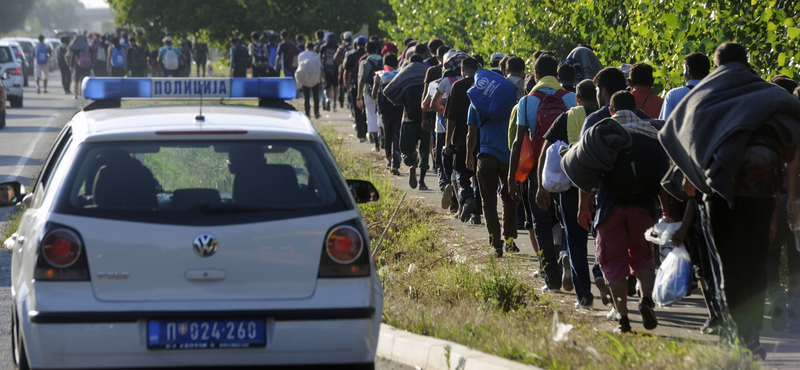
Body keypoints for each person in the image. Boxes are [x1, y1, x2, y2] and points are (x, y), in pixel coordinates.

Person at [661, 42, 800, 358]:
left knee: (730, 267)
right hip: (763, 192)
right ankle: (752, 336)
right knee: (754, 262)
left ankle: (744, 338)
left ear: (717, 64)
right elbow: (791, 148)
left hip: (721, 192)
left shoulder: (705, 94)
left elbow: (678, 134)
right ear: (746, 61)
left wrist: (689, 175)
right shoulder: (766, 94)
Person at [571, 91, 667, 333]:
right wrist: (667, 211)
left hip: (609, 208)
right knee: (643, 257)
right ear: (635, 110)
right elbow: (664, 177)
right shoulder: (652, 133)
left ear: (611, 110)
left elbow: (588, 177)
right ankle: (646, 300)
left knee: (613, 264)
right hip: (644, 207)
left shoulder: (602, 133)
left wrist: (583, 207)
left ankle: (624, 320)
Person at [509, 55, 577, 288]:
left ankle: (552, 278)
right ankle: (566, 255)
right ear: (557, 75)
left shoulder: (527, 102)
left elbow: (518, 142)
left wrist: (511, 179)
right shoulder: (570, 98)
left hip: (537, 173)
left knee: (541, 224)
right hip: (567, 170)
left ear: (535, 75)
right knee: (567, 220)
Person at [535, 79, 600, 309]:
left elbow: (545, 152)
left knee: (575, 242)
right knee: (605, 236)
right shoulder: (606, 115)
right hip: (602, 187)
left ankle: (584, 297)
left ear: (578, 98)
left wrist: (541, 187)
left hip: (571, 188)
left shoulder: (567, 116)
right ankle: (601, 272)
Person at [467, 65, 518, 258]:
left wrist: (469, 156)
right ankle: (511, 240)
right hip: (508, 157)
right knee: (509, 197)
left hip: (486, 156)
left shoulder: (476, 104)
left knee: (488, 201)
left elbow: (471, 135)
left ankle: (496, 244)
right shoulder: (512, 101)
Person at [445, 57, 483, 224]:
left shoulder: (458, 86)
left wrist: (448, 141)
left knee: (461, 172)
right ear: (478, 68)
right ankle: (477, 214)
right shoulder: (483, 86)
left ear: (462, 69)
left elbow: (451, 118)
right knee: (479, 176)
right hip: (482, 139)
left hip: (462, 138)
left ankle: (467, 199)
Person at [431, 50, 465, 202]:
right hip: (465, 129)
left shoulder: (446, 81)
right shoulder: (471, 81)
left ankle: (447, 188)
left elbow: (433, 104)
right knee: (461, 166)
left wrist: (445, 114)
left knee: (443, 160)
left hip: (444, 128)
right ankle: (462, 199)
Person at [396, 55, 431, 190]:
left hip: (408, 119)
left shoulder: (405, 76)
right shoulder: (427, 75)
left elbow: (395, 96)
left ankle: (410, 164)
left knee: (405, 148)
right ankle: (422, 182)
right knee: (424, 151)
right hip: (426, 120)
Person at [374, 53, 405, 175]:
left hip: (385, 111)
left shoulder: (380, 75)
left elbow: (374, 93)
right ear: (397, 63)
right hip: (398, 109)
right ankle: (395, 164)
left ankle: (388, 160)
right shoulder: (399, 75)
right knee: (397, 135)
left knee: (388, 135)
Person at [658, 52, 710, 120]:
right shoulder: (718, 93)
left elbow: (665, 124)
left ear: (689, 71)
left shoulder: (673, 95)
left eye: (684, 70)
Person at [357, 42, 384, 152]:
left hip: (368, 91)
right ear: (377, 50)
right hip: (382, 91)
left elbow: (361, 80)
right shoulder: (383, 60)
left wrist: (359, 97)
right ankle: (383, 136)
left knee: (371, 116)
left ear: (366, 50)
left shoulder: (365, 62)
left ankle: (376, 144)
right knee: (381, 115)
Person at [344, 36, 368, 141]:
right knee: (366, 110)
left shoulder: (351, 55)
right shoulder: (368, 56)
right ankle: (367, 131)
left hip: (355, 85)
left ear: (356, 44)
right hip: (367, 86)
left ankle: (360, 134)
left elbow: (346, 71)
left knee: (357, 109)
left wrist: (347, 84)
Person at [68, 32, 92, 99]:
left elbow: (72, 57)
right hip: (87, 65)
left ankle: (76, 94)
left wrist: (71, 66)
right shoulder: (88, 47)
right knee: (85, 80)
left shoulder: (75, 48)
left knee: (76, 80)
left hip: (77, 65)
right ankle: (84, 93)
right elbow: (91, 56)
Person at [320, 33, 340, 112]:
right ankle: (334, 104)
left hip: (326, 69)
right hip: (335, 69)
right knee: (335, 87)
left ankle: (327, 99)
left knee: (326, 87)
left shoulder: (323, 47)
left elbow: (320, 57)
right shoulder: (337, 47)